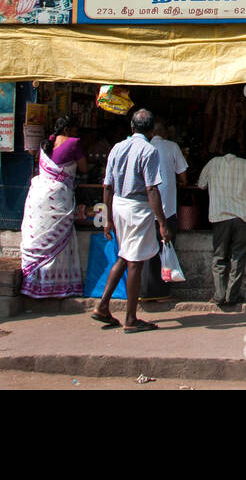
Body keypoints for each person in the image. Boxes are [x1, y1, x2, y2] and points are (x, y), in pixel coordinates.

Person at [92, 109, 172, 333]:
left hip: (118, 204)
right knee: (135, 262)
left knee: (124, 255)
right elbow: (152, 189)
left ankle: (103, 306)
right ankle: (130, 318)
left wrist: (106, 217)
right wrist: (163, 222)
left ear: (132, 126)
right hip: (137, 209)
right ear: (151, 129)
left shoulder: (117, 147)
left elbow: (107, 186)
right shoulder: (149, 150)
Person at [20, 116, 86, 299]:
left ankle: (34, 284)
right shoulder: (74, 143)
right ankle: (57, 286)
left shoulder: (45, 144)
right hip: (58, 197)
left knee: (40, 238)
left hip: (38, 198)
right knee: (58, 239)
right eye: (74, 130)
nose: (76, 134)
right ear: (67, 130)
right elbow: (84, 168)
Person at [196, 137, 246, 306]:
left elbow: (201, 184)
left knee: (219, 257)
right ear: (238, 151)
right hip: (241, 218)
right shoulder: (245, 164)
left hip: (220, 218)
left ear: (222, 150)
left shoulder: (213, 163)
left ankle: (219, 296)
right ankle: (232, 296)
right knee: (238, 257)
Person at [142, 115, 189, 299]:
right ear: (163, 132)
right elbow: (183, 175)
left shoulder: (144, 147)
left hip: (146, 209)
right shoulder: (172, 146)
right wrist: (181, 182)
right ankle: (162, 291)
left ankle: (145, 291)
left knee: (147, 252)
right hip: (167, 208)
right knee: (166, 248)